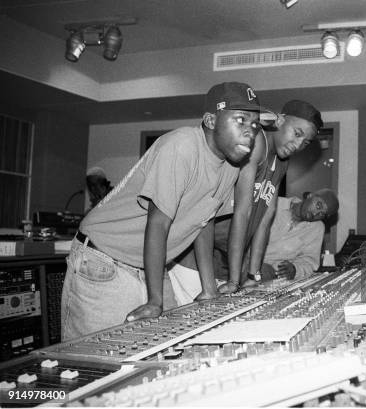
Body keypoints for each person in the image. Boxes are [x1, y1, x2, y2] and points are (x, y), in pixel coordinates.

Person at [60, 82, 265, 340]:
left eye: (255, 124)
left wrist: (209, 287)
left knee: (163, 349)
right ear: (211, 120)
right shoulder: (181, 146)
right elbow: (158, 224)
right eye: (240, 120)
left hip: (148, 264)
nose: (250, 131)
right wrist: (155, 300)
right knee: (97, 363)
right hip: (104, 257)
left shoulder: (231, 167)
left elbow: (203, 223)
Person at [171, 100, 324, 294]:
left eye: (306, 142)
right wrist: (235, 280)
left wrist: (253, 275)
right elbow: (242, 212)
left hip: (226, 263)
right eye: (297, 133)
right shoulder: (256, 142)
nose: (298, 145)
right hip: (196, 259)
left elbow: (264, 220)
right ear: (280, 121)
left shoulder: (282, 161)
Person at [170, 189, 339, 305]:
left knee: (258, 275)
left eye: (323, 214)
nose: (317, 214)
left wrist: (295, 268)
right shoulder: (273, 203)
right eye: (318, 205)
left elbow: (309, 261)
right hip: (235, 256)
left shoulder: (317, 228)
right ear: (309, 195)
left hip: (266, 271)